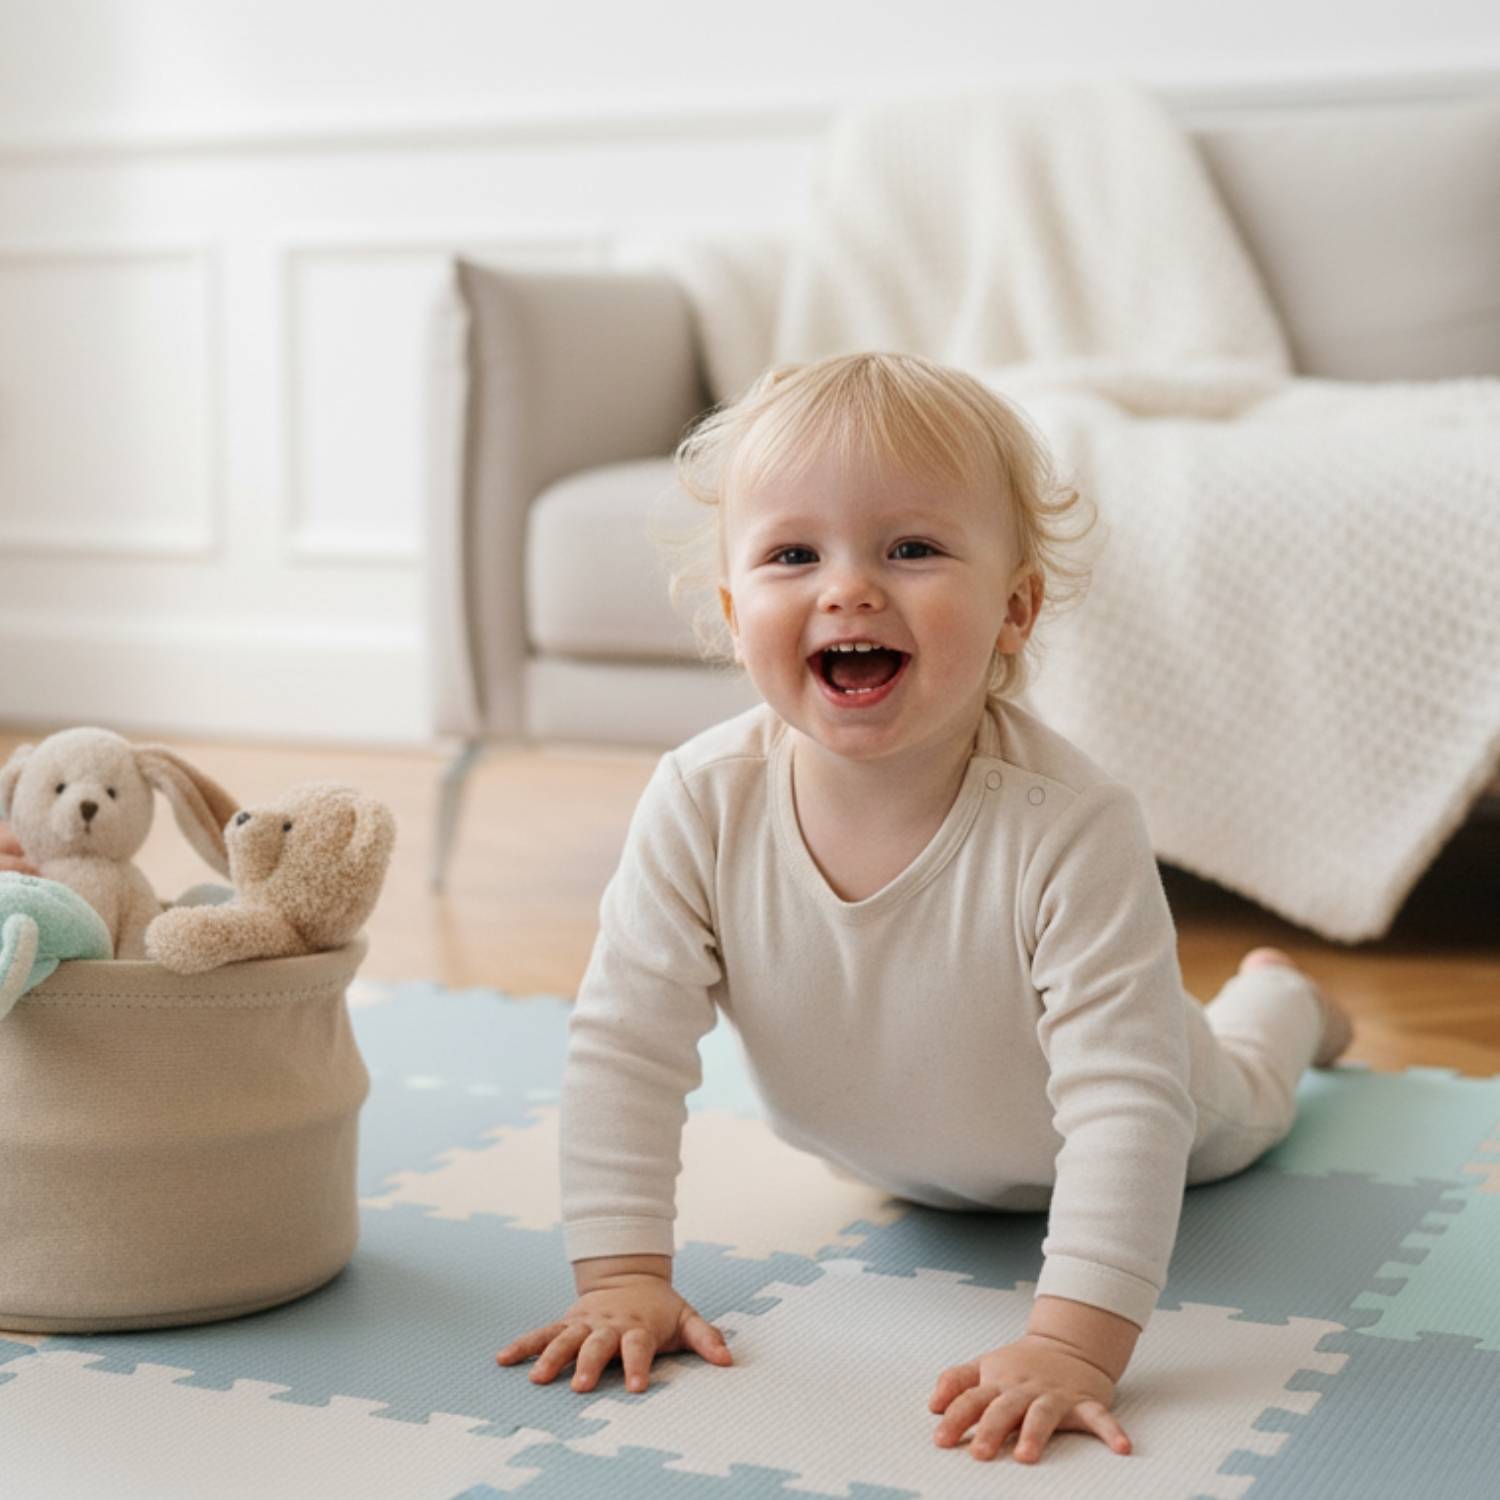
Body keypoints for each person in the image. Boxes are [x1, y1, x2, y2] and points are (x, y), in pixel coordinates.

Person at [496, 352, 1353, 1465]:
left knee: (1245, 1092)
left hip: (1156, 1122)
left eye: (910, 549)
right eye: (793, 554)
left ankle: (1282, 1001)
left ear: (1015, 608)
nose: (848, 589)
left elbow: (1128, 1108)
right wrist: (620, 1276)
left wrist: (1074, 1345)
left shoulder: (1073, 826)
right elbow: (625, 1045)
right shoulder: (700, 801)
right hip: (884, 1146)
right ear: (734, 611)